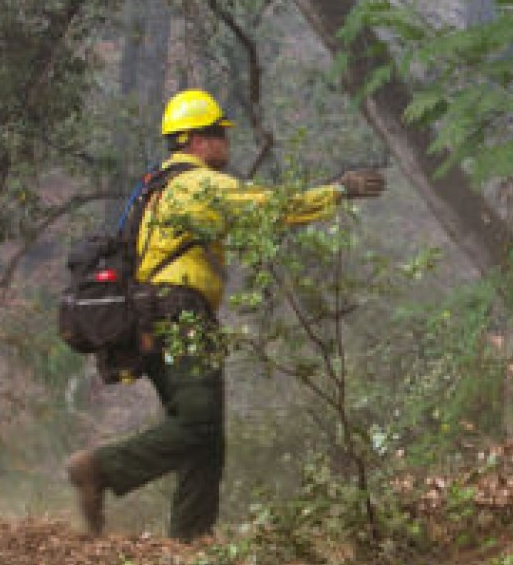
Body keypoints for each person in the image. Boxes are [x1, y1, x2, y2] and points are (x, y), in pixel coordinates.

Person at [64, 89, 385, 541]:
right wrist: (339, 190)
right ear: (196, 140)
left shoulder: (153, 188)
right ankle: (98, 470)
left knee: (205, 434)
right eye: (218, 133)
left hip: (149, 322)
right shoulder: (196, 184)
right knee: (198, 423)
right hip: (180, 318)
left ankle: (190, 540)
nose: (225, 142)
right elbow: (270, 208)